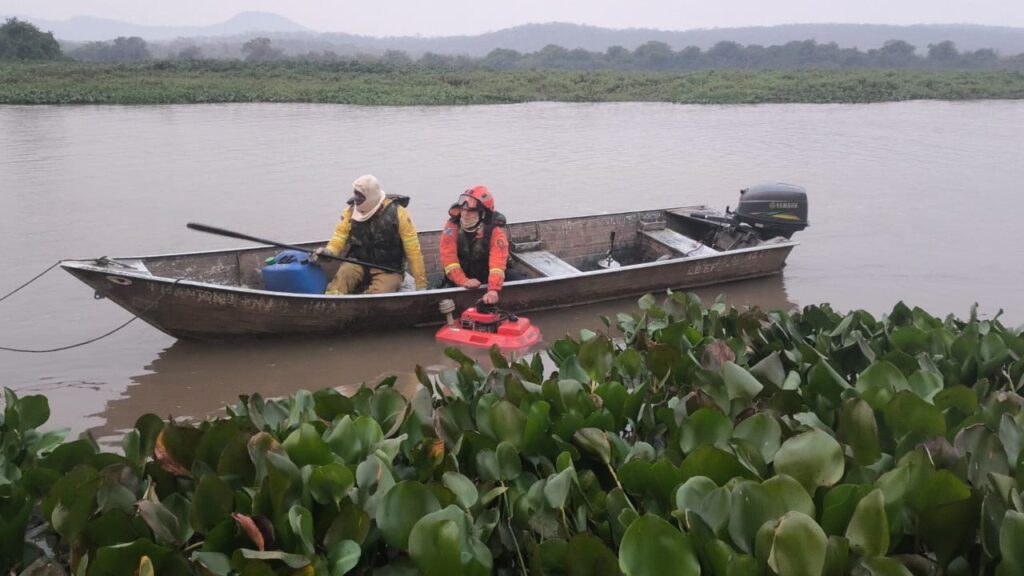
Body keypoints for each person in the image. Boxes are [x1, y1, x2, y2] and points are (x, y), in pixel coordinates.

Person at [313, 174, 427, 295]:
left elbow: (413, 251)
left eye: (360, 195)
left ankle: (368, 301)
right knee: (342, 277)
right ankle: (333, 305)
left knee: (381, 292)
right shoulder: (350, 211)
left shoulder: (399, 214)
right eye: (355, 193)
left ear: (370, 197)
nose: (356, 198)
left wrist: (421, 284)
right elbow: (339, 237)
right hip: (358, 262)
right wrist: (329, 252)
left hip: (388, 268)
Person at [439, 185, 512, 305]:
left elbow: (497, 263)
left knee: (516, 277)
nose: (465, 214)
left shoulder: (495, 231)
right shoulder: (452, 226)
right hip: (463, 272)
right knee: (443, 291)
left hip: (487, 272)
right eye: (463, 209)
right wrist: (463, 280)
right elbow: (448, 257)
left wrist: (493, 289)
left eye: (471, 211)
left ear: (482, 213)